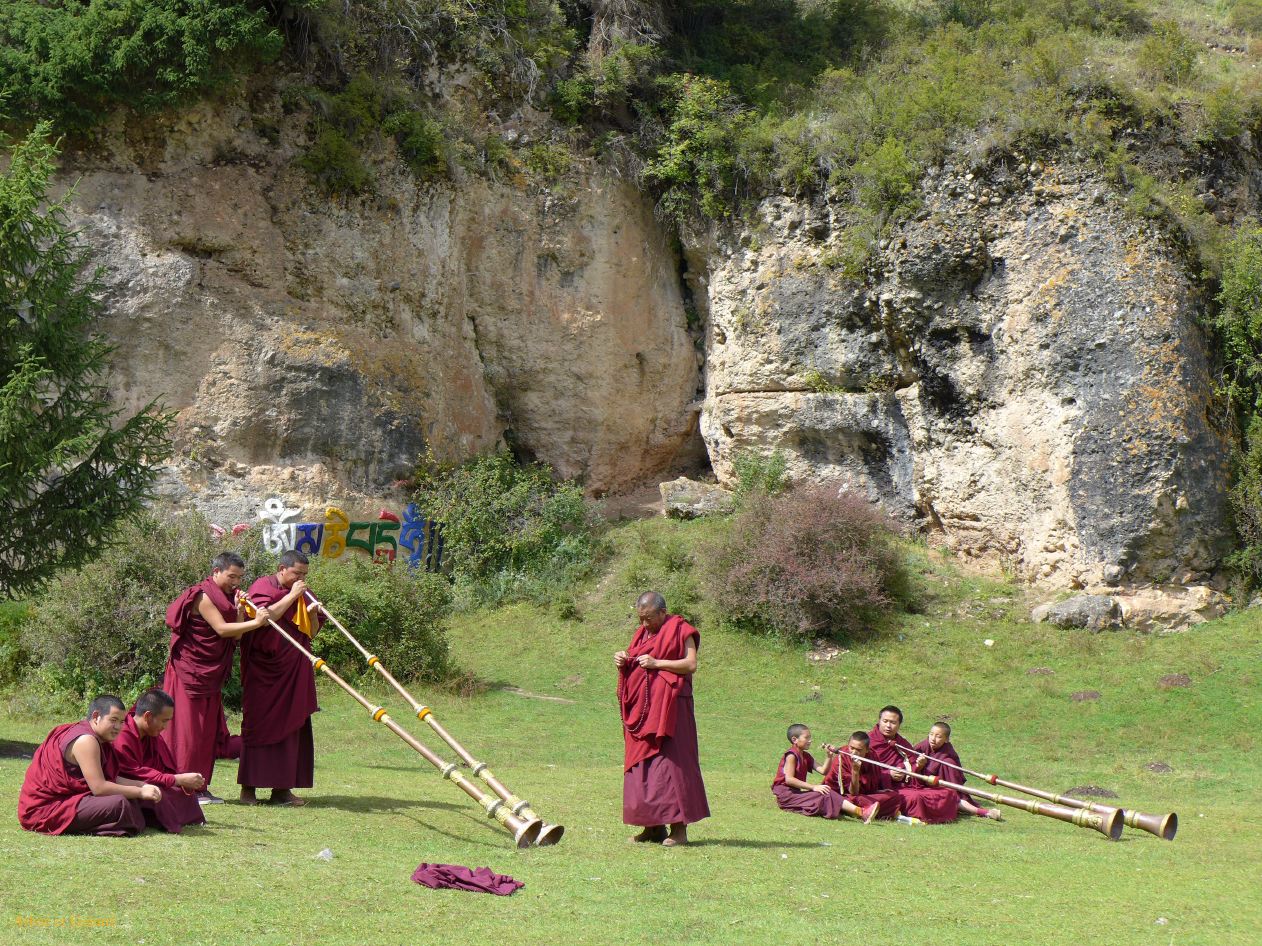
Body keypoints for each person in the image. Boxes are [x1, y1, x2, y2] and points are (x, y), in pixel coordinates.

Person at [161, 551, 270, 804]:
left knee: (206, 732)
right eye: (232, 576)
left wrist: (242, 611)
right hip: (190, 672)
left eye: (240, 578)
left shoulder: (228, 597)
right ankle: (182, 788)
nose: (236, 582)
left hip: (210, 674)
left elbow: (236, 636)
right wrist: (257, 623)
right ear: (216, 572)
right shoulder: (203, 596)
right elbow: (221, 629)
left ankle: (200, 787)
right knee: (189, 731)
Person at [615, 591, 709, 846]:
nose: (644, 624)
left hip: (672, 708)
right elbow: (638, 659)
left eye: (648, 618)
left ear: (662, 612)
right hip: (646, 709)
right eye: (641, 619)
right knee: (644, 766)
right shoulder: (642, 633)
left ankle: (679, 830)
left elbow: (690, 665)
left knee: (673, 765)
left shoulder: (681, 629)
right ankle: (652, 827)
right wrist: (623, 659)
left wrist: (657, 663)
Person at [239, 550, 323, 807]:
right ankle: (248, 790)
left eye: (304, 574)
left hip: (293, 667)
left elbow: (313, 631)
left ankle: (282, 790)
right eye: (297, 573)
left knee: (292, 725)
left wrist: (309, 609)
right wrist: (292, 596)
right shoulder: (263, 586)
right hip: (264, 671)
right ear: (282, 568)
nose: (301, 578)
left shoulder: (303, 592)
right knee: (258, 726)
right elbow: (265, 618)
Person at [18, 695, 162, 836]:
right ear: (96, 716)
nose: (118, 727)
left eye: (122, 721)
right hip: (44, 810)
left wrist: (141, 785)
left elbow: (110, 777)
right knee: (121, 804)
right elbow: (99, 788)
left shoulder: (98, 738)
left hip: (65, 800)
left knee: (127, 801)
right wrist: (140, 792)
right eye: (113, 720)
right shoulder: (86, 740)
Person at [113, 688, 207, 833]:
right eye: (164, 721)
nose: (165, 727)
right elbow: (132, 772)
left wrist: (176, 780)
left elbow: (161, 766)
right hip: (128, 784)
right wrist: (176, 779)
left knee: (181, 792)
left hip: (148, 780)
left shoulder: (150, 733)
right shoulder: (123, 735)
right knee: (160, 794)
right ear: (148, 716)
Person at [867, 705, 959, 824]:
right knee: (916, 798)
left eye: (893, 722)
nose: (888, 726)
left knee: (948, 793)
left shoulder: (901, 743)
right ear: (879, 721)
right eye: (885, 721)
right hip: (885, 787)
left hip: (905, 784)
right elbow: (864, 772)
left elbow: (913, 766)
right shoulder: (868, 742)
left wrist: (919, 765)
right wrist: (888, 774)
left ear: (899, 725)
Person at [772, 724, 876, 822]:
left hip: (796, 794)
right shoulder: (791, 755)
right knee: (824, 793)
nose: (810, 740)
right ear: (794, 739)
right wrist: (813, 787)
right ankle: (861, 812)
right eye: (806, 738)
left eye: (810, 737)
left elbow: (823, 771)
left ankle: (859, 812)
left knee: (825, 792)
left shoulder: (806, 756)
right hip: (787, 796)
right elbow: (789, 779)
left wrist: (829, 756)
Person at [911, 722, 1003, 821]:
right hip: (922, 786)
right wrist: (919, 766)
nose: (933, 739)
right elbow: (910, 765)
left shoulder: (948, 759)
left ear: (946, 739)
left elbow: (954, 789)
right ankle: (987, 812)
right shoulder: (922, 746)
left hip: (943, 791)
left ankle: (986, 812)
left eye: (938, 736)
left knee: (954, 800)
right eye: (931, 734)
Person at [822, 731, 902, 821]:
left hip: (863, 795)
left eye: (859, 750)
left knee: (894, 797)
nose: (854, 753)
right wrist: (855, 772)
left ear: (867, 750)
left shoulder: (872, 756)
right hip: (843, 796)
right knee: (849, 800)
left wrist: (877, 791)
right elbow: (853, 793)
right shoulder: (842, 759)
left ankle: (866, 810)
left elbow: (872, 783)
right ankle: (858, 810)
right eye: (851, 748)